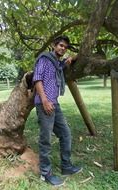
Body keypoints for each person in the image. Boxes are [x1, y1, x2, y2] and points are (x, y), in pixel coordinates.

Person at [33, 36, 82, 186]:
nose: (62, 48)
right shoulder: (44, 59)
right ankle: (45, 173)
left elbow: (62, 65)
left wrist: (71, 59)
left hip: (55, 104)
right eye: (60, 45)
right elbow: (37, 79)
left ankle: (66, 166)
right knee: (46, 139)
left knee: (65, 133)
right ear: (54, 45)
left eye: (65, 47)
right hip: (44, 104)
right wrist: (45, 100)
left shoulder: (56, 63)